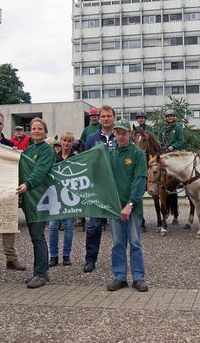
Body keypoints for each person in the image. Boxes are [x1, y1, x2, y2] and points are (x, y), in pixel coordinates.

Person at [106, 119, 149, 292]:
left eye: (124, 133)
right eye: (118, 133)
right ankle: (120, 277)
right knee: (117, 243)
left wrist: (130, 204)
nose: (121, 136)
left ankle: (138, 278)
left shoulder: (138, 154)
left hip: (133, 208)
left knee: (135, 242)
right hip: (115, 207)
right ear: (114, 134)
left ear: (130, 134)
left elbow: (139, 181)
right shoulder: (109, 154)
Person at [16, 117, 56, 288]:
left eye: (40, 128)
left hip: (41, 198)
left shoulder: (47, 150)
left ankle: (40, 274)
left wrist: (27, 184)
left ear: (45, 131)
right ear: (30, 131)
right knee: (35, 237)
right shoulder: (28, 149)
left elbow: (40, 170)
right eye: (33, 128)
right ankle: (41, 271)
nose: (36, 131)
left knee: (38, 236)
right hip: (28, 199)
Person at [0, 111, 26, 271]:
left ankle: (11, 259)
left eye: (0, 123)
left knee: (9, 225)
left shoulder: (10, 145)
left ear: (3, 125)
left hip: (6, 188)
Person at [82, 104, 116, 273]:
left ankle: (119, 261)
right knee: (94, 226)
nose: (106, 118)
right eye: (103, 116)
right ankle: (90, 259)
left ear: (114, 118)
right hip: (97, 188)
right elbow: (86, 162)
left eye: (109, 116)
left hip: (116, 189)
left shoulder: (122, 136)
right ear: (99, 119)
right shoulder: (91, 138)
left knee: (118, 227)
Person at [48, 132, 78, 267]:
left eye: (69, 141)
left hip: (70, 197)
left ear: (72, 143)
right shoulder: (53, 158)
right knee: (53, 226)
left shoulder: (76, 158)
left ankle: (66, 255)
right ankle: (53, 256)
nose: (66, 143)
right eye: (64, 140)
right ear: (60, 142)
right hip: (55, 196)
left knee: (68, 227)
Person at [157, 109, 184, 222]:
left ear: (174, 117)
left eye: (171, 116)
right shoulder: (163, 129)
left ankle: (183, 181)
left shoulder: (177, 128)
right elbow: (159, 140)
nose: (170, 118)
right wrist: (161, 146)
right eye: (168, 116)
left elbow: (181, 140)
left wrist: (172, 146)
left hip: (174, 151)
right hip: (164, 151)